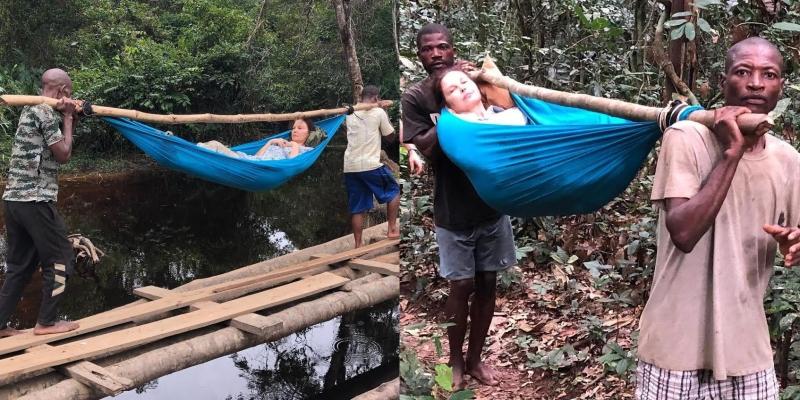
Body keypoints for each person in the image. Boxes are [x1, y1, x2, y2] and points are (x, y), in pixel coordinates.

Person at [636, 37, 800, 399]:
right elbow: (683, 231)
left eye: (768, 74)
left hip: (748, 351)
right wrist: (732, 153)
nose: (755, 82)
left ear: (780, 87)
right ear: (724, 80)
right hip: (675, 351)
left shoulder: (787, 159)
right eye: (743, 71)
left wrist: (794, 241)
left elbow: (796, 234)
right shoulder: (686, 137)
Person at [402, 23, 516, 389]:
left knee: (487, 282)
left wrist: (473, 83)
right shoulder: (417, 98)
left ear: (453, 50)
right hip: (452, 210)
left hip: (491, 204)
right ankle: (453, 360)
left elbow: (512, 110)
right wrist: (452, 105)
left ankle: (476, 359)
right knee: (461, 285)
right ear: (419, 55)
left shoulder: (474, 79)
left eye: (442, 47)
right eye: (427, 49)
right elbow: (427, 147)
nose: (435, 54)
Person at [0, 68, 81, 337]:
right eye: (69, 93)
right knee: (62, 258)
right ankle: (46, 322)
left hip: (14, 201)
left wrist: (70, 117)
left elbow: (55, 142)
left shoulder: (32, 109)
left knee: (20, 266)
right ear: (62, 91)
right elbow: (63, 154)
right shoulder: (46, 113)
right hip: (35, 199)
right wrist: (67, 118)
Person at [343, 85, 400, 247]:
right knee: (394, 191)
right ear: (376, 98)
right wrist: (384, 113)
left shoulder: (350, 113)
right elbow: (390, 138)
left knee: (358, 207)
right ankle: (392, 229)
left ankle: (358, 244)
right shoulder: (379, 112)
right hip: (370, 165)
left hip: (350, 166)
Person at [198, 118, 325, 160]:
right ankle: (190, 151)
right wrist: (270, 142)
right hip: (249, 161)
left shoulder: (307, 150)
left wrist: (294, 145)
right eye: (294, 127)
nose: (295, 130)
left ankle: (191, 151)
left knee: (214, 145)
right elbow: (257, 156)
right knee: (212, 145)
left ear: (309, 134)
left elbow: (292, 162)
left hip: (256, 167)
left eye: (300, 128)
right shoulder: (280, 143)